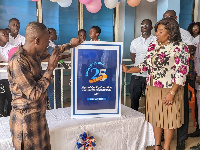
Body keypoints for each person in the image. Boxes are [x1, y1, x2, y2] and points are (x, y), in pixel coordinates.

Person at [8, 22, 81, 149]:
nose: (48, 43)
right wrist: (50, 68)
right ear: (37, 40)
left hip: (38, 117)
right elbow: (33, 94)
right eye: (47, 40)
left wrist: (70, 45)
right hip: (25, 122)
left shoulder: (35, 54)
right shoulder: (18, 61)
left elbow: (55, 52)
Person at [122, 18, 189, 150]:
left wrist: (172, 93)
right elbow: (146, 64)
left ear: (170, 32)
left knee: (169, 120)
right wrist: (129, 70)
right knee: (156, 118)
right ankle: (157, 146)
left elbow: (182, 72)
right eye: (157, 31)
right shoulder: (153, 45)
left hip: (170, 89)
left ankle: (167, 147)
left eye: (160, 31)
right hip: (153, 88)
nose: (157, 34)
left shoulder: (181, 47)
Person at [163, 10, 193, 150]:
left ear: (175, 18)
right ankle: (164, 135)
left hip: (179, 78)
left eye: (169, 18)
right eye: (164, 18)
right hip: (163, 79)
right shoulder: (161, 33)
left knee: (182, 108)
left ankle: (181, 138)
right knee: (165, 108)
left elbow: (191, 48)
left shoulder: (184, 34)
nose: (167, 20)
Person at [129, 19, 156, 111]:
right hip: (137, 75)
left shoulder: (156, 40)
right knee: (134, 99)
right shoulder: (135, 41)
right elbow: (133, 57)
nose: (144, 27)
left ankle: (151, 120)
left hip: (151, 76)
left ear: (151, 27)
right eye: (142, 25)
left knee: (151, 100)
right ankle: (134, 118)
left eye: (147, 25)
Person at [0, 29, 14, 117]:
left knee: (11, 100)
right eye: (3, 34)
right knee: (1, 100)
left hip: (9, 78)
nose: (6, 35)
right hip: (0, 78)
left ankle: (11, 118)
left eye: (7, 34)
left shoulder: (12, 47)